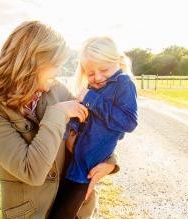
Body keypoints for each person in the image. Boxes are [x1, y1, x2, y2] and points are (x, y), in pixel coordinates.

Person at [0, 21, 119, 219]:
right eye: (55, 65)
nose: (59, 72)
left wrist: (110, 161)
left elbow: (94, 127)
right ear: (34, 63)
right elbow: (31, 171)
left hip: (75, 206)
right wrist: (58, 114)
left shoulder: (56, 89)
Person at [49, 36, 138, 219]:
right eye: (90, 73)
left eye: (104, 69)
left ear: (117, 61)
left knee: (63, 214)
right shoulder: (95, 87)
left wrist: (92, 99)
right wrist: (72, 128)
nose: (97, 77)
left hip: (85, 169)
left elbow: (129, 122)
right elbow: (84, 116)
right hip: (73, 161)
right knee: (58, 210)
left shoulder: (124, 83)